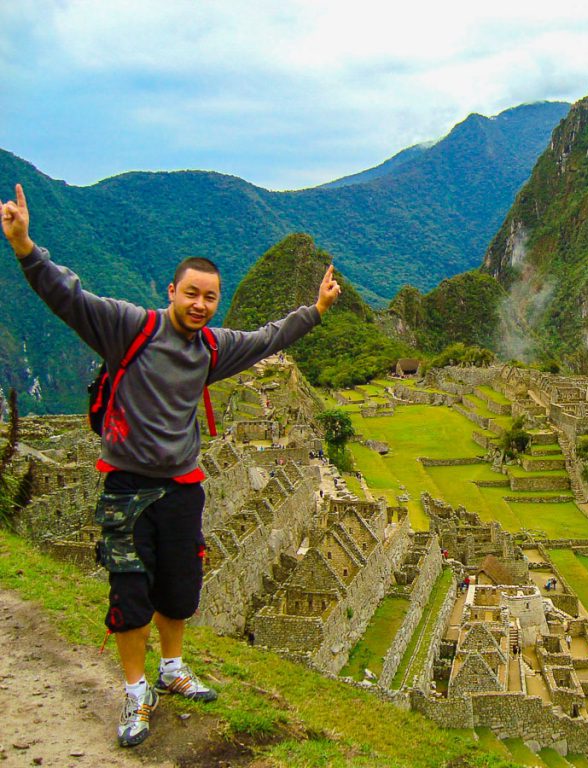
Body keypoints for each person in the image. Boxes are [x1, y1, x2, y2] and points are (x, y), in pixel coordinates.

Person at [1, 183, 341, 748]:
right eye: (191, 294)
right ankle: (135, 690)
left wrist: (318, 310)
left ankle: (172, 667)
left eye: (209, 297)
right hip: (127, 485)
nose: (199, 304)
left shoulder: (212, 348)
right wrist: (25, 247)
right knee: (129, 592)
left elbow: (267, 339)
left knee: (181, 588)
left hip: (183, 487)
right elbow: (69, 297)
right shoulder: (128, 327)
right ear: (172, 292)